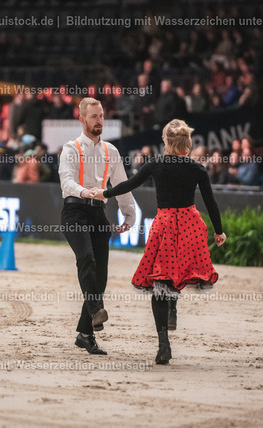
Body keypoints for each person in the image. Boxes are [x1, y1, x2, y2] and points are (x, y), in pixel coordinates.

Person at [91, 119, 226, 365]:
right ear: (187, 143)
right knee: (181, 271)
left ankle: (164, 344)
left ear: (166, 141)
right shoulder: (197, 169)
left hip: (165, 226)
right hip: (190, 226)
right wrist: (219, 231)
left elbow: (129, 185)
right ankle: (173, 305)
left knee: (161, 280)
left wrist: (105, 193)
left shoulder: (156, 164)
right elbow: (211, 202)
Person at [59, 97, 136, 355]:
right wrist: (84, 192)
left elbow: (122, 184)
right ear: (82, 119)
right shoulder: (70, 149)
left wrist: (129, 214)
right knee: (87, 259)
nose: (99, 120)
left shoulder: (111, 151)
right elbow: (66, 182)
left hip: (98, 214)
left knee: (100, 277)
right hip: (74, 212)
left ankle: (85, 334)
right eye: (94, 116)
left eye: (101, 115)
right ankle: (95, 310)